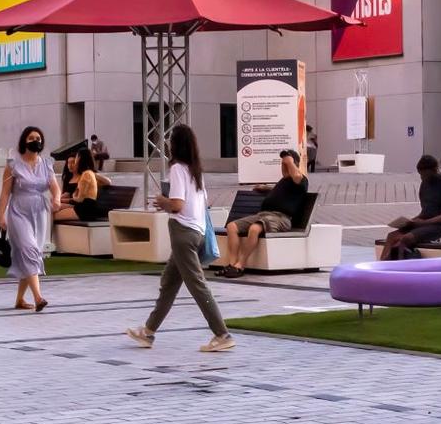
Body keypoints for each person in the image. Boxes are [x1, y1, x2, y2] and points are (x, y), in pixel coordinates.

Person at [126, 124, 233, 353]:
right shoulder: (196, 170)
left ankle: (222, 333)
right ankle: (148, 331)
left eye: (169, 141)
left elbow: (177, 205)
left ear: (175, 145)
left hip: (183, 233)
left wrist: (161, 200)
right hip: (197, 231)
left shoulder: (176, 169)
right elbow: (201, 202)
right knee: (169, 283)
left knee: (197, 285)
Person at [217, 149, 313, 279]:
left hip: (280, 218)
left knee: (255, 228)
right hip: (263, 215)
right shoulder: (284, 181)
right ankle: (232, 264)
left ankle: (240, 265)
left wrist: (289, 161)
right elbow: (280, 192)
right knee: (232, 226)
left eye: (285, 165)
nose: (283, 167)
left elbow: (296, 176)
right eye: (282, 164)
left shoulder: (301, 180)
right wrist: (266, 188)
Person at [0, 125, 59, 312]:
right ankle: (39, 298)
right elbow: (5, 193)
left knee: (31, 254)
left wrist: (56, 198)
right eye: (32, 138)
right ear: (24, 140)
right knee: (29, 250)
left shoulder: (47, 164)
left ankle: (19, 300)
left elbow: (54, 186)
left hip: (40, 212)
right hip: (18, 213)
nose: (36, 141)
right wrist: (1, 215)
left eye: (38, 138)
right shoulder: (12, 165)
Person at [379, 155, 441, 260]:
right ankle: (381, 266)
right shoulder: (425, 184)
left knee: (405, 239)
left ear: (435, 170)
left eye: (425, 175)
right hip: (427, 224)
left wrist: (423, 222)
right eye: (420, 175)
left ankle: (397, 267)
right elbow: (426, 212)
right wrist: (412, 221)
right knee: (391, 236)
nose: (422, 178)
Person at [52, 147, 106, 223]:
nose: (71, 164)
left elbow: (79, 199)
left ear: (80, 158)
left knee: (51, 215)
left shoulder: (86, 175)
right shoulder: (85, 175)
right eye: (68, 163)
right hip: (82, 207)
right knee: (51, 209)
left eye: (76, 158)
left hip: (85, 210)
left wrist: (67, 198)